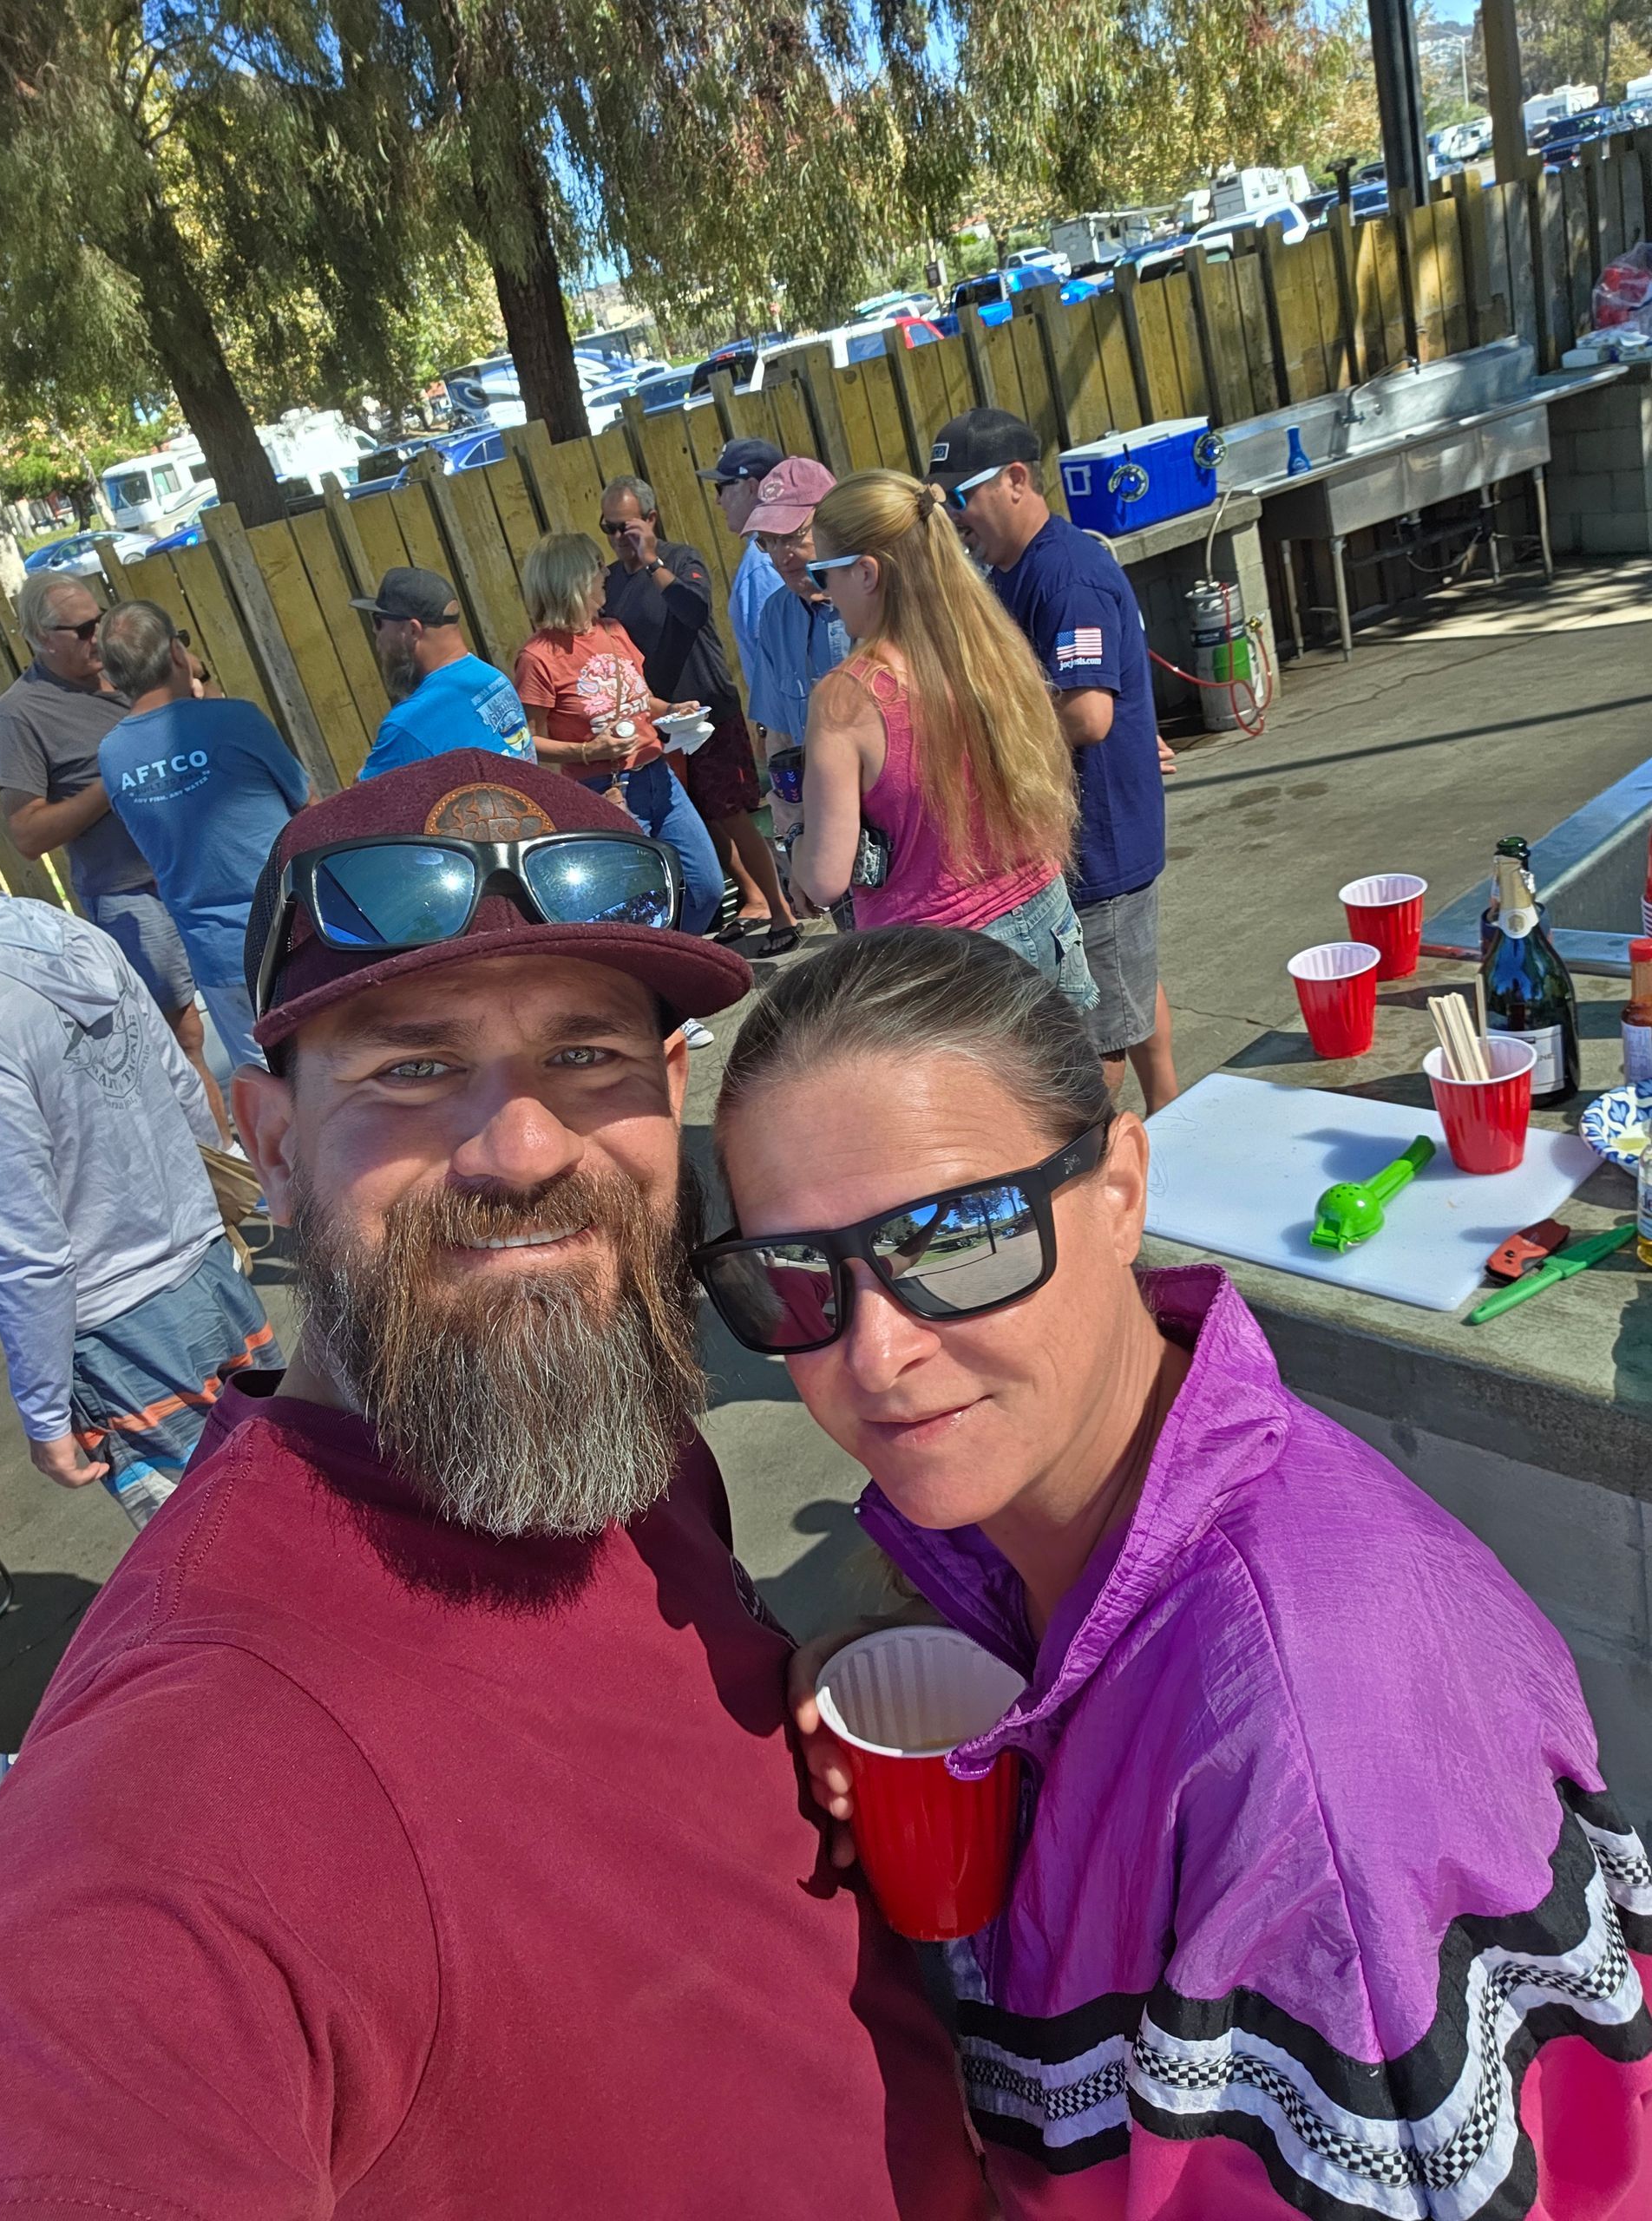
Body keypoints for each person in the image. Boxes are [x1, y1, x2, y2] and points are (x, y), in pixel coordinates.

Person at [0, 757, 989, 2218]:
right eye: (411, 1068)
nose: (522, 1149)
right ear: (268, 1141)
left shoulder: (613, 1445)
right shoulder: (174, 1807)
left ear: (670, 1094)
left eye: (587, 1057)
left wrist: (786, 1698)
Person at [695, 924, 1652, 2221]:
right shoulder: (1019, 1532)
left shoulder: (1308, 1775)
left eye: (958, 1237)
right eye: (794, 1279)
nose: (873, 1356)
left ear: (1122, 1188)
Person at [0, 893, 279, 1530]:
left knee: (212, 1551)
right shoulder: (70, 934)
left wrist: (43, 1414)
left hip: (116, 1333)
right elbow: (184, 1090)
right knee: (305, 1478)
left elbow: (22, 1246)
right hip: (210, 1275)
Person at [928, 409, 1182, 1112]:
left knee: (1095, 1037)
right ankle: (1175, 1118)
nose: (952, 516)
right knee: (1130, 985)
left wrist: (977, 742)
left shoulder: (1065, 575)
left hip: (1097, 845)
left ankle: (1078, 1165)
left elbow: (1087, 714)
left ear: (1016, 480)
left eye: (960, 496)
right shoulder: (1008, 571)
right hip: (1076, 836)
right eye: (940, 500)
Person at [789, 468, 1098, 1012]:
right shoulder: (991, 644)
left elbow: (824, 879)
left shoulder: (845, 697)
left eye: (824, 571)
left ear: (866, 573)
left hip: (936, 961)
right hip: (1044, 911)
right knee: (1066, 1088)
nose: (822, 590)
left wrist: (794, 840)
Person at [0, 572, 228, 1132]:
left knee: (254, 1001)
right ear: (38, 637)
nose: (98, 637)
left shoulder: (128, 670)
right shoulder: (20, 713)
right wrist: (113, 781)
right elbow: (27, 834)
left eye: (100, 620)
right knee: (180, 1036)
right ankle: (226, 1168)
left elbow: (211, 722)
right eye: (81, 630)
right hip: (130, 893)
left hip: (201, 872)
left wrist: (201, 678)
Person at [515, 532, 725, 1046]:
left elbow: (641, 697)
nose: (606, 576)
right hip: (604, 792)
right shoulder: (538, 658)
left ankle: (664, 985)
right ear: (572, 581)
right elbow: (529, 743)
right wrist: (589, 752)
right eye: (595, 570)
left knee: (704, 888)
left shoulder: (613, 630)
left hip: (658, 776)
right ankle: (661, 1009)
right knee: (638, 904)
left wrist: (672, 710)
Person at [97, 599, 310, 1073]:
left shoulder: (112, 756)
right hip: (292, 930)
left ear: (112, 677)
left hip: (215, 955)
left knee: (266, 1083)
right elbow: (304, 799)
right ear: (176, 653)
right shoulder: (236, 719)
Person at [599, 474, 799, 954]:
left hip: (706, 708)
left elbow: (693, 609)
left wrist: (651, 563)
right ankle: (750, 898)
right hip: (658, 718)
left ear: (649, 519)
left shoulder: (682, 559)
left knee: (731, 813)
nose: (616, 537)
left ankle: (782, 911)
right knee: (699, 816)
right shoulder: (607, 582)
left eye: (623, 526)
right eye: (606, 528)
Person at [353, 566, 534, 780]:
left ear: (412, 630)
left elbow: (362, 803)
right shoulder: (494, 680)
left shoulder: (409, 725)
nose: (375, 631)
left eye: (379, 621)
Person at [740, 455, 852, 783]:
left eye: (791, 536)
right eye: (768, 541)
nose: (779, 557)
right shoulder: (776, 615)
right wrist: (792, 824)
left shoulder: (881, 596)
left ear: (832, 522)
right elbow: (779, 738)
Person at [697, 436, 785, 700]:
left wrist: (768, 731)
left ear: (751, 487)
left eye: (721, 487)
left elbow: (778, 662)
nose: (718, 501)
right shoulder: (768, 554)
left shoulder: (763, 564)